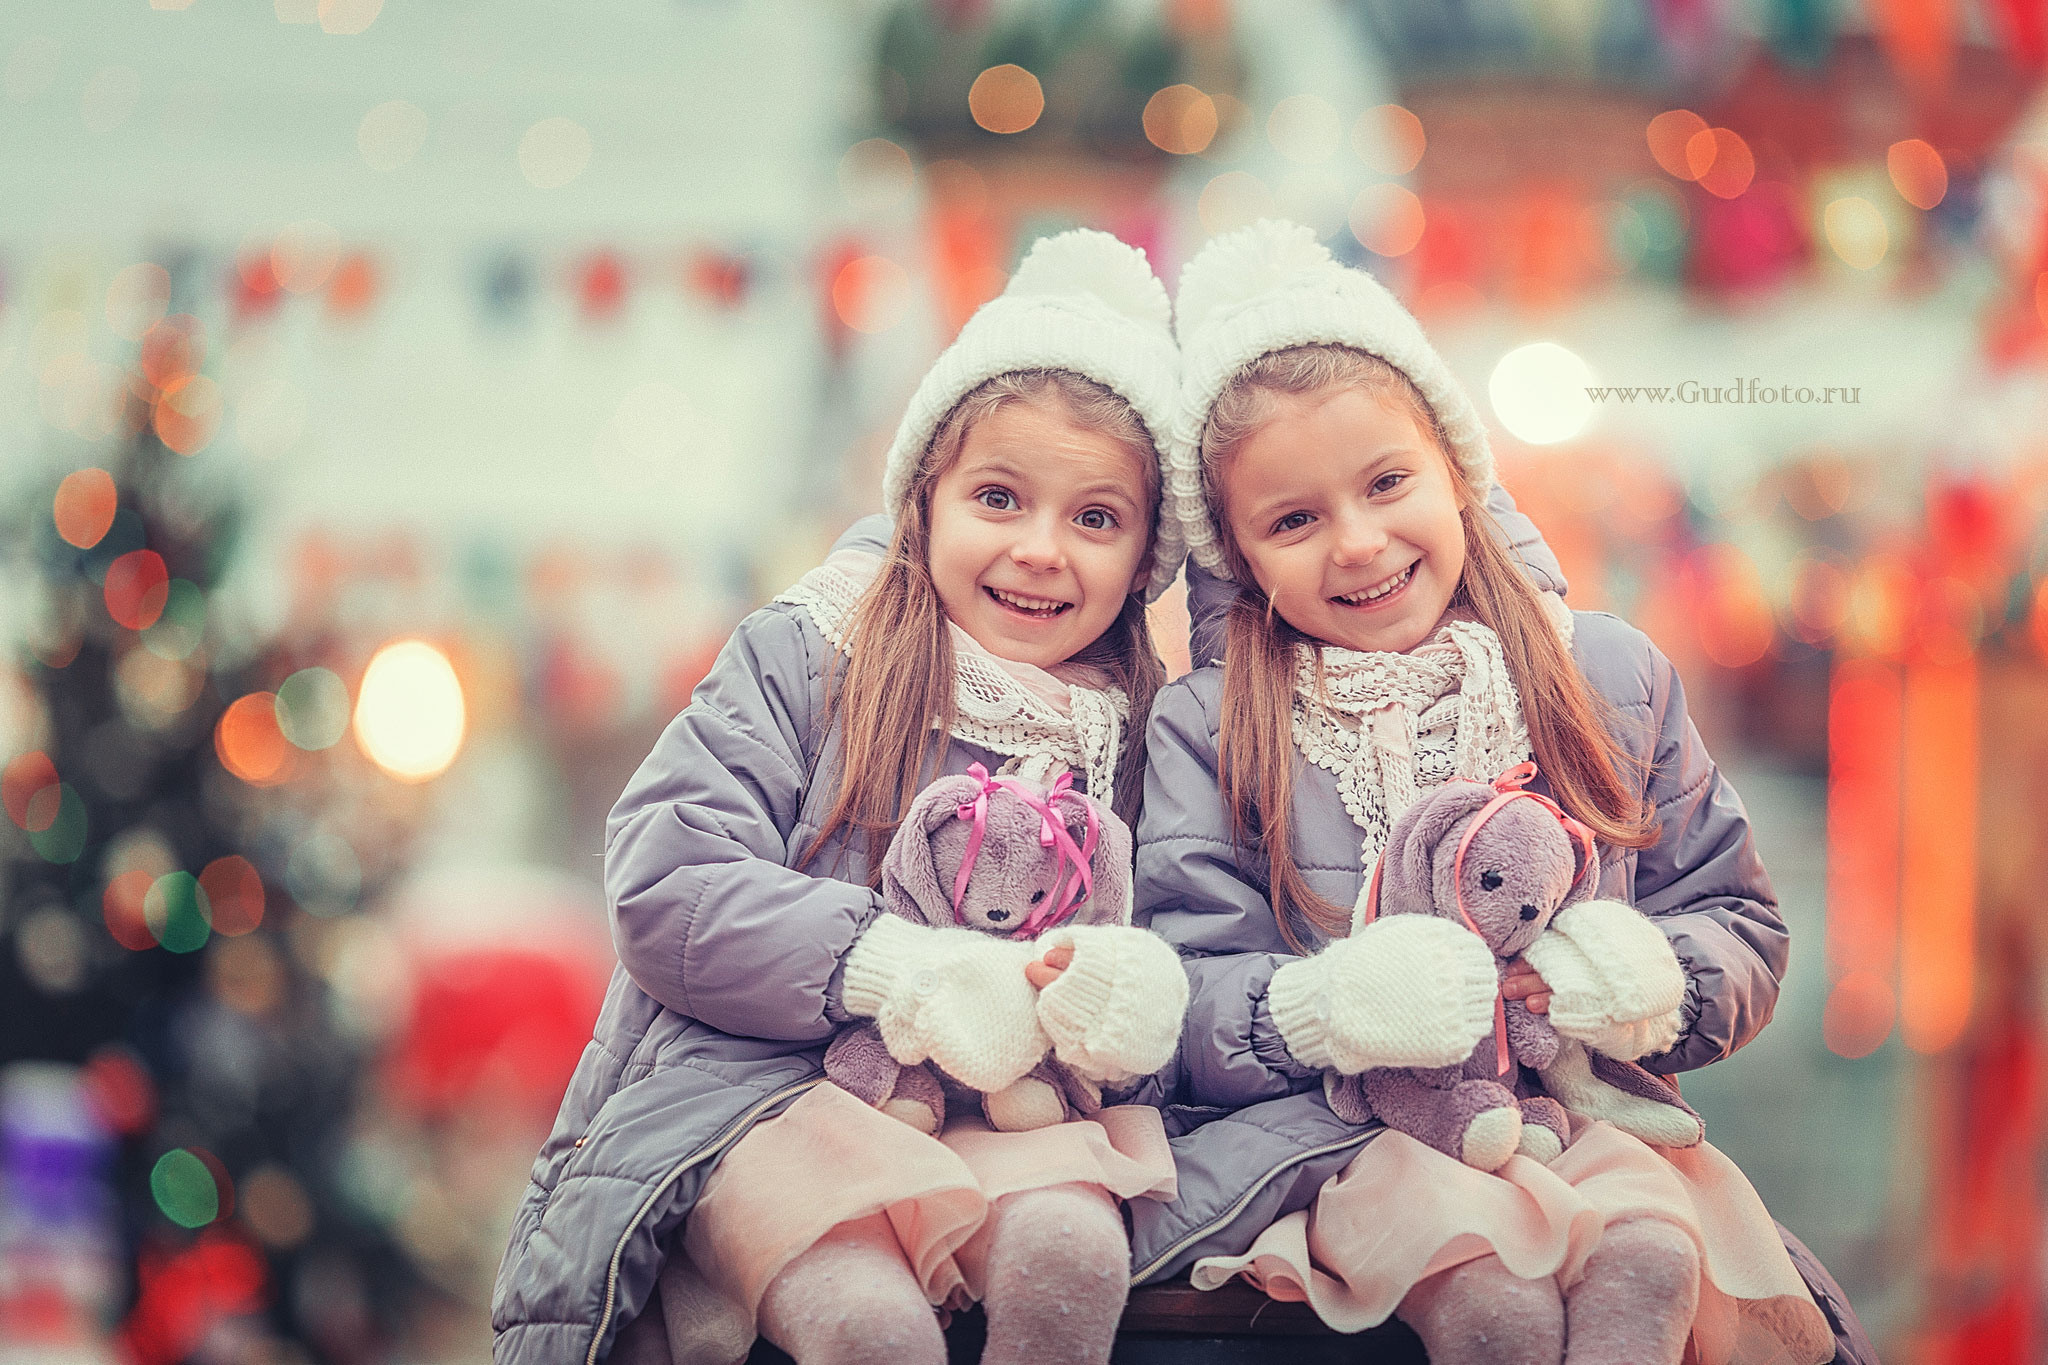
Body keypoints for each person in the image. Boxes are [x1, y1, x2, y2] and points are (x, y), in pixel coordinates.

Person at [1122, 220, 1874, 1365]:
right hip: (1344, 1148)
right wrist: (1322, 1010)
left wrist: (1642, 980)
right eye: (1293, 520)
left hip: (1588, 1127)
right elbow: (1175, 1004)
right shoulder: (1210, 729)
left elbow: (1741, 924)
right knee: (1492, 1306)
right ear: (1236, 555)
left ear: (1457, 474)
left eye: (1386, 484)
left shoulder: (1604, 674)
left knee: (1650, 1264)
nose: (1359, 544)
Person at [491, 229, 1194, 1365]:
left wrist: (1118, 1003)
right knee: (869, 1324)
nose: (1040, 551)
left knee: (1072, 1253)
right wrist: (897, 969)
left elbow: (1173, 956)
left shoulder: (1137, 733)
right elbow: (670, 884)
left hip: (1013, 1110)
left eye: (1095, 519)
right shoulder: (812, 654)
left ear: (1143, 555)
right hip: (767, 1096)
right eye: (1000, 498)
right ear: (925, 500)